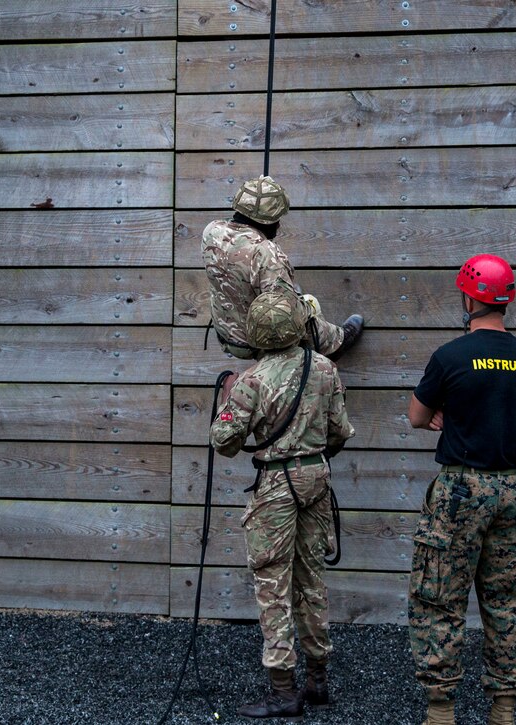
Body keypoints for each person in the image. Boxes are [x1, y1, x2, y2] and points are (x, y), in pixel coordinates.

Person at [406, 254, 516, 725]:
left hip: (460, 491)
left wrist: (448, 416)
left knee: (440, 597)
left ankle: (441, 710)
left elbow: (417, 417)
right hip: (511, 493)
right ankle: (503, 709)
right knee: (504, 602)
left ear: (468, 297)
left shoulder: (449, 357)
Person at [210, 289, 355, 719]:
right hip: (316, 477)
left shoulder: (252, 380)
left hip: (275, 484)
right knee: (311, 576)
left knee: (273, 583)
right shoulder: (325, 368)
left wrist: (226, 398)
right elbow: (340, 432)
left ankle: (283, 689)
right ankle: (318, 679)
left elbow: (223, 442)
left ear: (255, 331)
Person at [201, 174, 363, 360]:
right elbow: (285, 312)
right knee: (306, 304)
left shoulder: (211, 231)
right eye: (277, 219)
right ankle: (334, 344)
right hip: (256, 342)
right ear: (267, 221)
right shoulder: (266, 253)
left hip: (226, 333)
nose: (278, 226)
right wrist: (309, 307)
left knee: (286, 290)